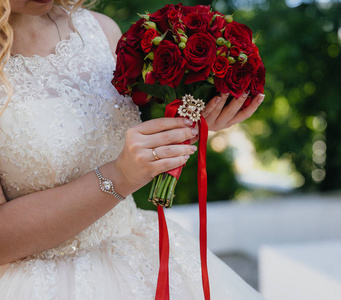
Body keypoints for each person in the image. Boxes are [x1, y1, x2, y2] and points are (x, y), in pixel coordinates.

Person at [0, 0, 266, 299]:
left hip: (137, 254)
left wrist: (189, 117)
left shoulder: (100, 29)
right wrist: (120, 176)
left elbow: (133, 142)